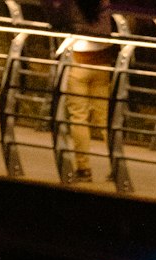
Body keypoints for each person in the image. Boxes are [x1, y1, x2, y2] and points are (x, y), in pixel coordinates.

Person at [63, 0, 115, 183]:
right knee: (104, 118)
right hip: (103, 62)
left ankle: (83, 168)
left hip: (80, 60)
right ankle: (117, 166)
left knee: (78, 116)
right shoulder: (104, 2)